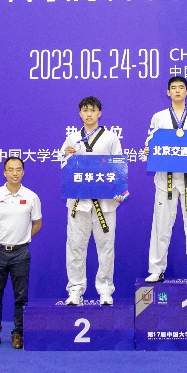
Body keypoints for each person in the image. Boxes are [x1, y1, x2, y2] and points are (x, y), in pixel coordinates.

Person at [141, 75, 187, 283]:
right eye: (173, 87)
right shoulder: (158, 117)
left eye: (181, 87)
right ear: (168, 92)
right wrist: (148, 152)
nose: (177, 91)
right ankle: (156, 268)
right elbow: (151, 146)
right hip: (164, 180)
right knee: (161, 224)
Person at [60, 95, 125, 306]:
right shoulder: (72, 138)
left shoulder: (111, 137)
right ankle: (75, 290)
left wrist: (120, 192)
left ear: (99, 113)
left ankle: (105, 290)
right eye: (85, 110)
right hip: (79, 203)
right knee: (75, 247)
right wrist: (66, 156)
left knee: (106, 248)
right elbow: (64, 168)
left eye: (93, 110)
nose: (89, 114)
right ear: (80, 113)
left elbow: (118, 166)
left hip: (105, 204)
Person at [0, 156, 42, 349]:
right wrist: (0, 236)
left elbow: (37, 223)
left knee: (21, 297)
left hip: (21, 253)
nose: (14, 173)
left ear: (23, 172)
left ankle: (18, 333)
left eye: (18, 169)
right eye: (10, 169)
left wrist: (23, 237)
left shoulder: (32, 197)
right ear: (4, 172)